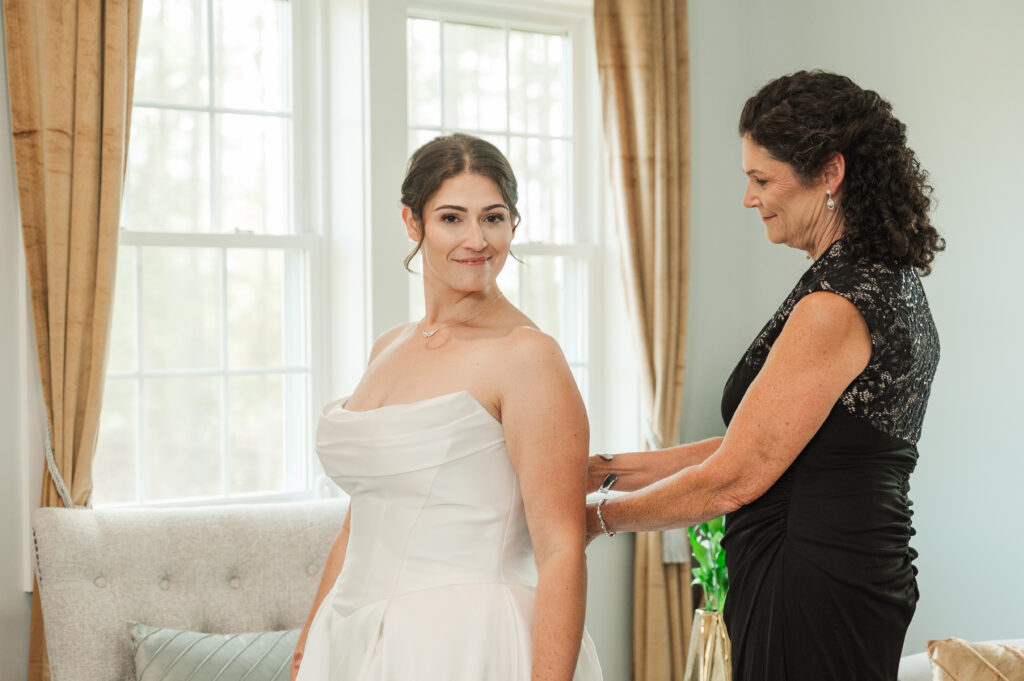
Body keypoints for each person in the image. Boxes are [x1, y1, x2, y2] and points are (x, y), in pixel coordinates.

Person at [585, 70, 944, 681]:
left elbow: (731, 481)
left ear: (830, 174)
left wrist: (597, 515)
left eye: (761, 179)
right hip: (851, 569)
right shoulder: (886, 278)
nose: (749, 198)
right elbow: (763, 443)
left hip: (810, 579)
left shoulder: (836, 305)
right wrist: (609, 469)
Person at [291, 133, 602, 681]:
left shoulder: (527, 357)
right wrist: (306, 650)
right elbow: (359, 522)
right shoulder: (388, 346)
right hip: (351, 638)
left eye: (494, 217)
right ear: (413, 223)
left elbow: (561, 548)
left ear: (513, 225)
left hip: (467, 643)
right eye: (452, 218)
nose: (477, 239)